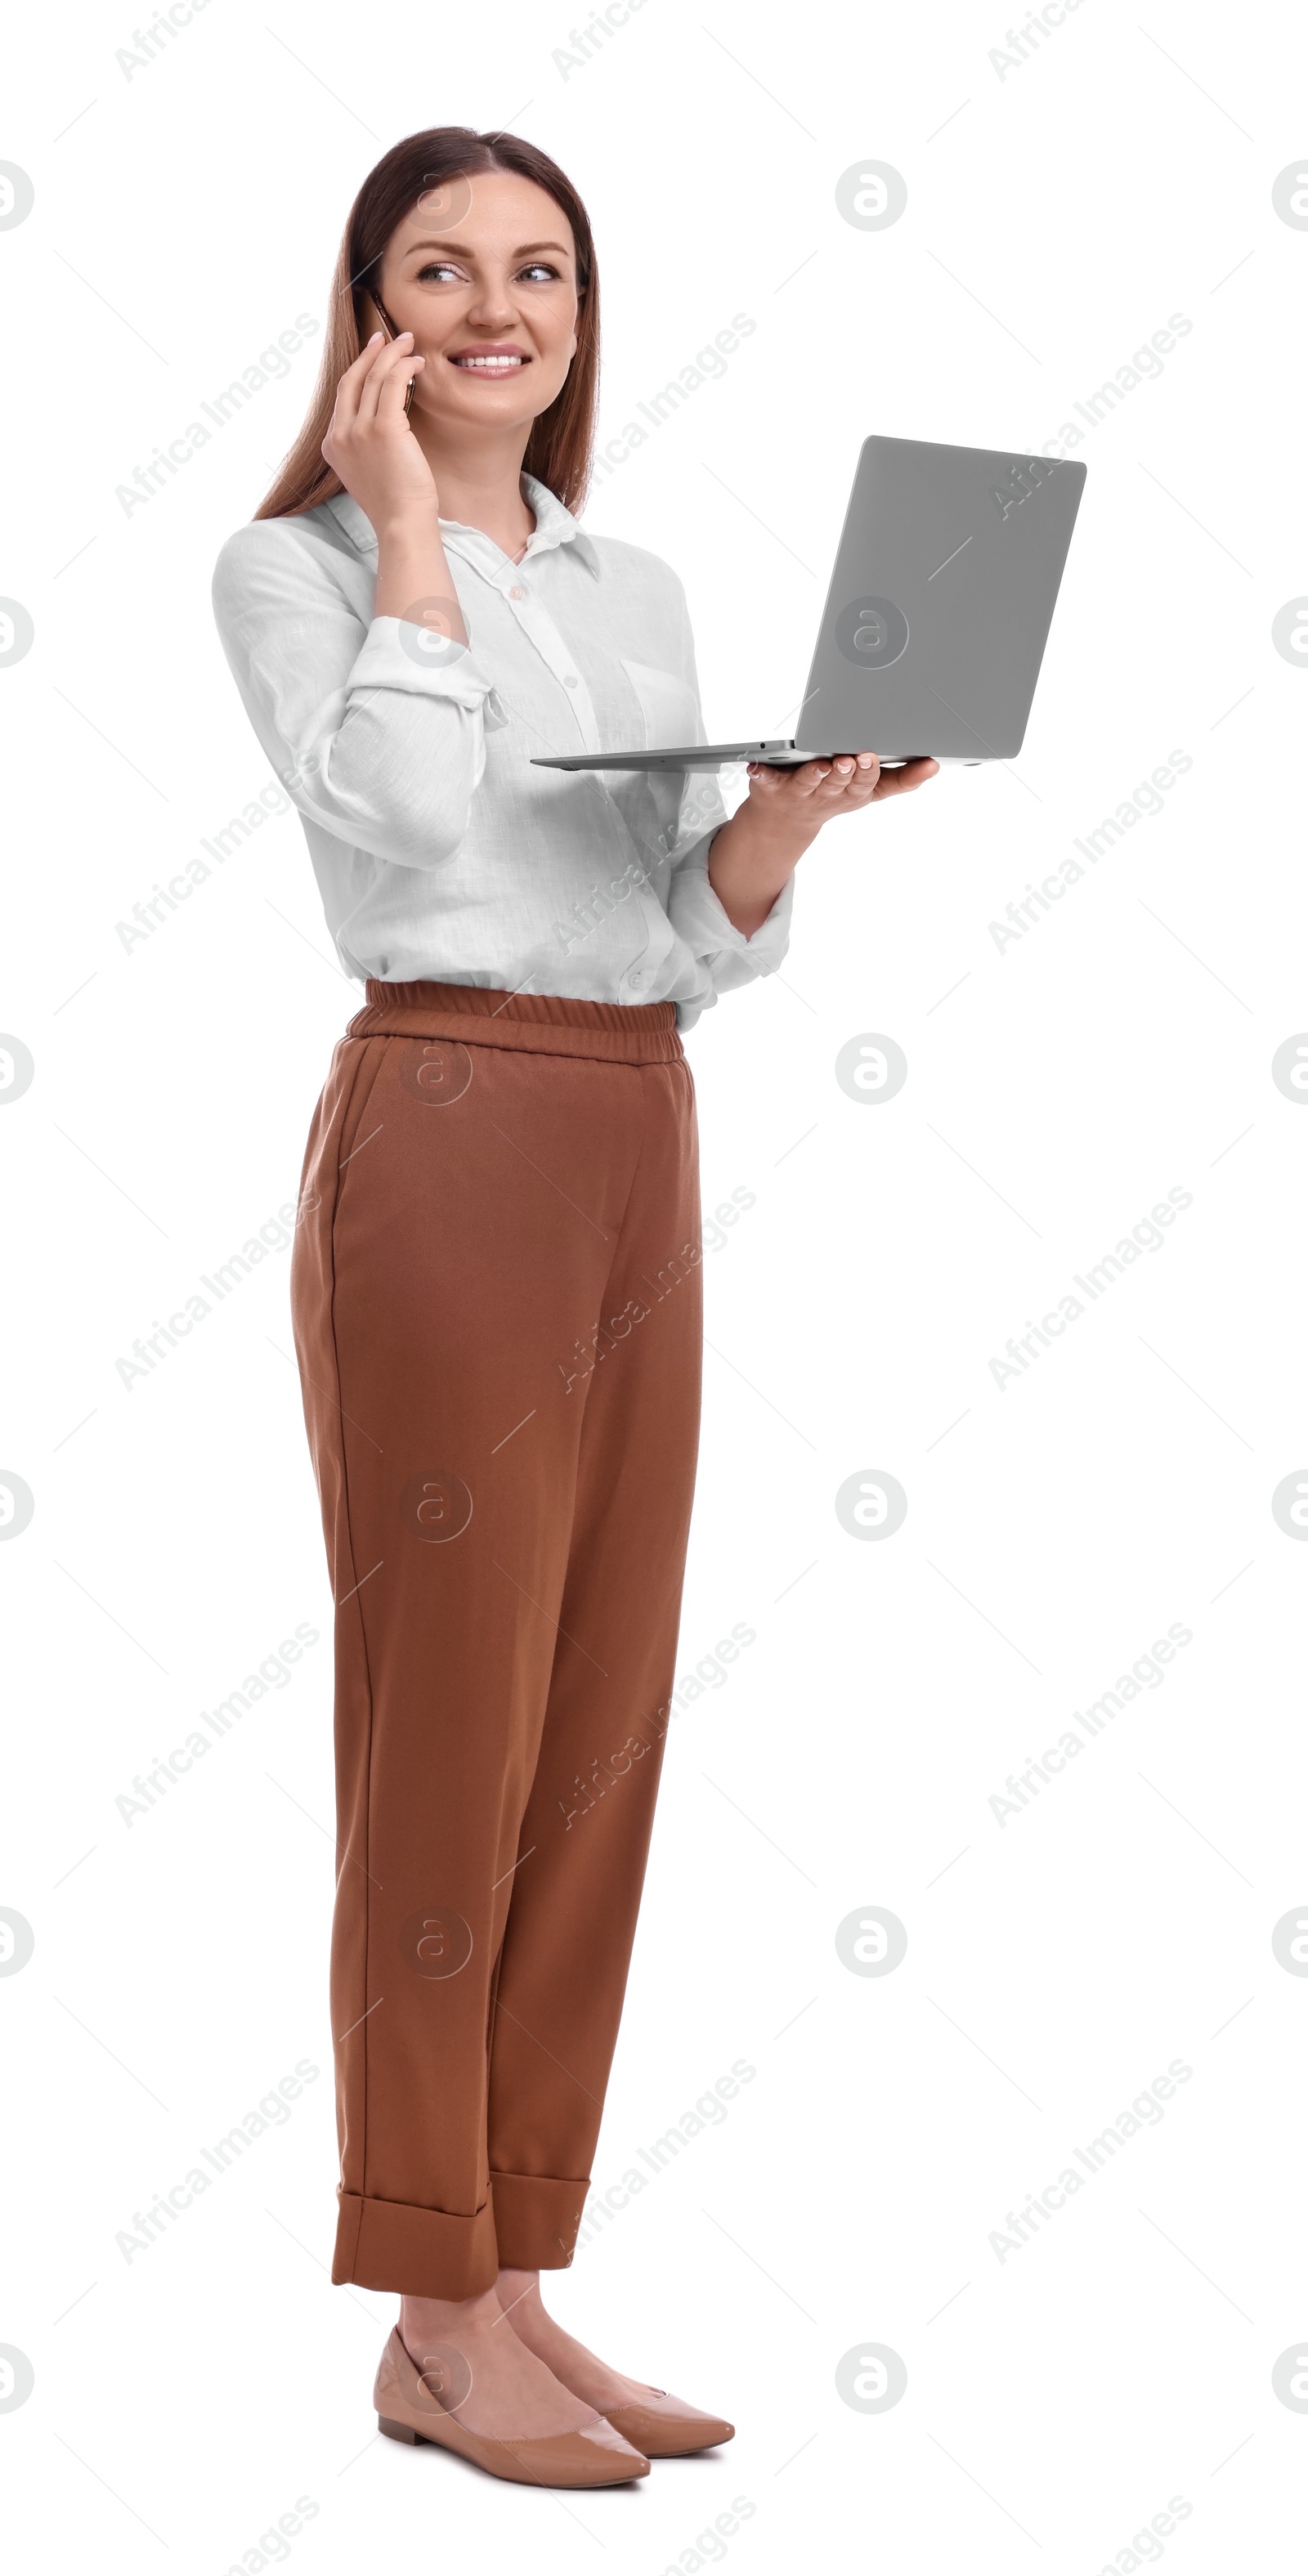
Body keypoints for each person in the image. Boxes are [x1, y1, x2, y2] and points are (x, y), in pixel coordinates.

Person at [212, 123, 938, 2491]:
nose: (498, 309)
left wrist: (793, 821)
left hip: (635, 1126)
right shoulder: (295, 569)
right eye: (442, 272)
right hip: (444, 1132)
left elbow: (674, 934)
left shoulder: (631, 587)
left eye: (540, 270)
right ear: (371, 316)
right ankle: (426, 2298)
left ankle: (519, 2270)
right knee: (450, 1720)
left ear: (586, 315)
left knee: (597, 1717)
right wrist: (413, 529)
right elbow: (411, 843)